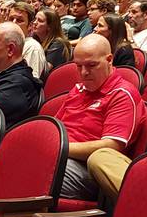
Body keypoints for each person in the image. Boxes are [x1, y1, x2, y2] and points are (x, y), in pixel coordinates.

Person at [52, 35, 140, 200]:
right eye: (78, 66)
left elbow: (111, 147)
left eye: (92, 65)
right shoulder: (78, 89)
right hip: (61, 156)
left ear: (109, 60)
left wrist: (58, 148)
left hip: (86, 169)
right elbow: (54, 128)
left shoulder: (122, 94)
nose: (84, 73)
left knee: (34, 171)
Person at [6, 3, 49, 77]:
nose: (13, 23)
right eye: (11, 19)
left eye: (19, 20)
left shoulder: (32, 48)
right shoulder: (4, 43)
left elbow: (27, 83)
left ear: (30, 26)